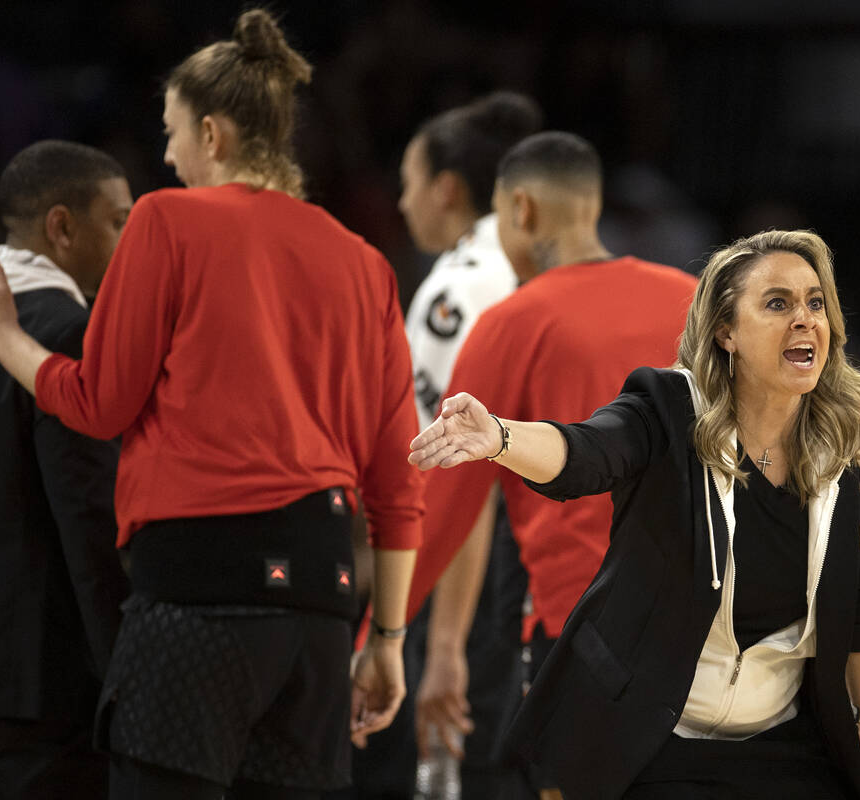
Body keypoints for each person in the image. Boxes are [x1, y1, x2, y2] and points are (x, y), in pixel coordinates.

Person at [0, 10, 423, 800]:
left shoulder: (165, 220)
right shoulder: (366, 263)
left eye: (171, 133)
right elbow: (398, 483)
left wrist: (3, 337)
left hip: (195, 605)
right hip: (320, 607)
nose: (166, 156)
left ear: (213, 134)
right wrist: (386, 643)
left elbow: (98, 404)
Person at [409, 229, 860, 799]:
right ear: (726, 332)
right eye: (777, 303)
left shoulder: (852, 454)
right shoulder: (667, 411)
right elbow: (585, 452)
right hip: (654, 742)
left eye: (815, 302)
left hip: (786, 748)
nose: (805, 318)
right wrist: (499, 437)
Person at [403, 130, 700, 798]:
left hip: (577, 630)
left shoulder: (509, 322)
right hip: (700, 628)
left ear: (521, 211)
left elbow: (459, 503)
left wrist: (420, 643)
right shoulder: (699, 301)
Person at [344, 90, 541, 800]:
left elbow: (456, 476)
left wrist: (446, 646)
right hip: (517, 568)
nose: (400, 204)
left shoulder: (460, 287)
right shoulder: (520, 267)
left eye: (407, 184)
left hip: (469, 577)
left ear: (446, 188)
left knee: (448, 766)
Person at [0, 140, 132, 800]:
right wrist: (124, 675)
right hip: (41, 683)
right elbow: (89, 516)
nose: (129, 243)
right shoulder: (66, 330)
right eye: (117, 221)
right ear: (62, 227)